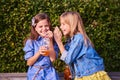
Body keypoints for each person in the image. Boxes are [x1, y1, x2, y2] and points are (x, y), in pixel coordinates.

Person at [54, 11, 111, 80]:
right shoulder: (71, 41)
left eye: (63, 24)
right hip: (82, 75)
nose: (61, 27)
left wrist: (59, 42)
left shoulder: (79, 38)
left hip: (90, 75)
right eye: (61, 24)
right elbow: (65, 54)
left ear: (72, 24)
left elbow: (68, 59)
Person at [23, 13, 59, 80]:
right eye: (40, 26)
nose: (44, 28)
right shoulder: (31, 42)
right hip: (36, 73)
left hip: (50, 74)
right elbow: (29, 62)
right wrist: (39, 53)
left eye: (46, 26)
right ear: (35, 28)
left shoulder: (53, 40)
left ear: (49, 26)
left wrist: (50, 40)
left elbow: (52, 59)